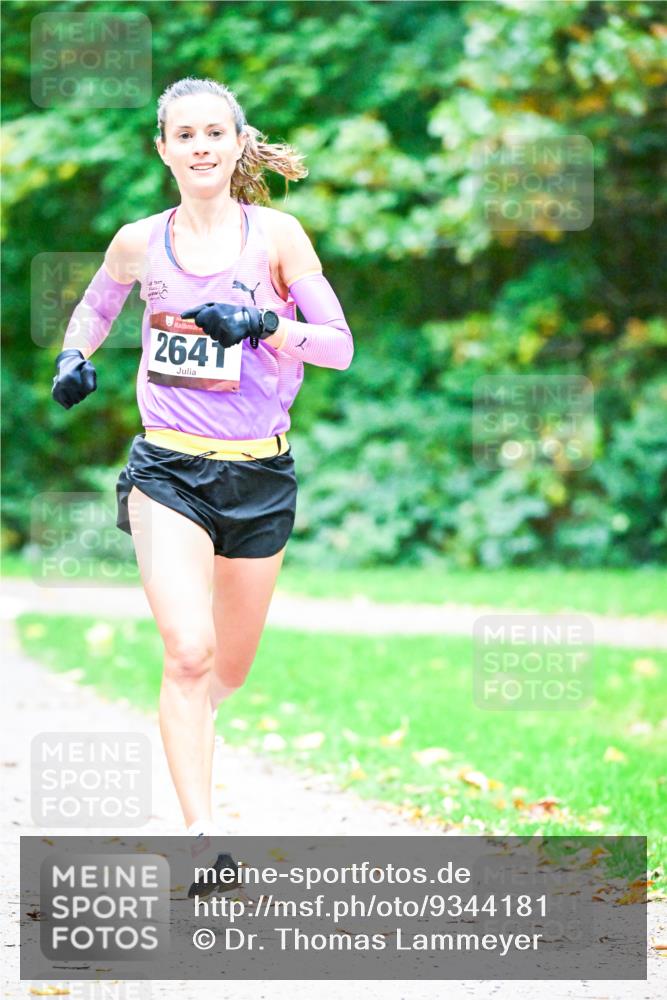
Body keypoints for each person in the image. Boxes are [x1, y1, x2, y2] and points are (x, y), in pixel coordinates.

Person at [52, 77, 354, 839]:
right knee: (188, 653)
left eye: (213, 133)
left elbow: (340, 348)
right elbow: (96, 304)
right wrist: (71, 356)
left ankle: (191, 726)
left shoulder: (277, 237)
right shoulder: (138, 241)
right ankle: (202, 838)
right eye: (183, 135)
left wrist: (262, 324)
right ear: (163, 149)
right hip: (168, 470)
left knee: (227, 670)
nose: (200, 147)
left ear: (236, 142)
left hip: (259, 474)